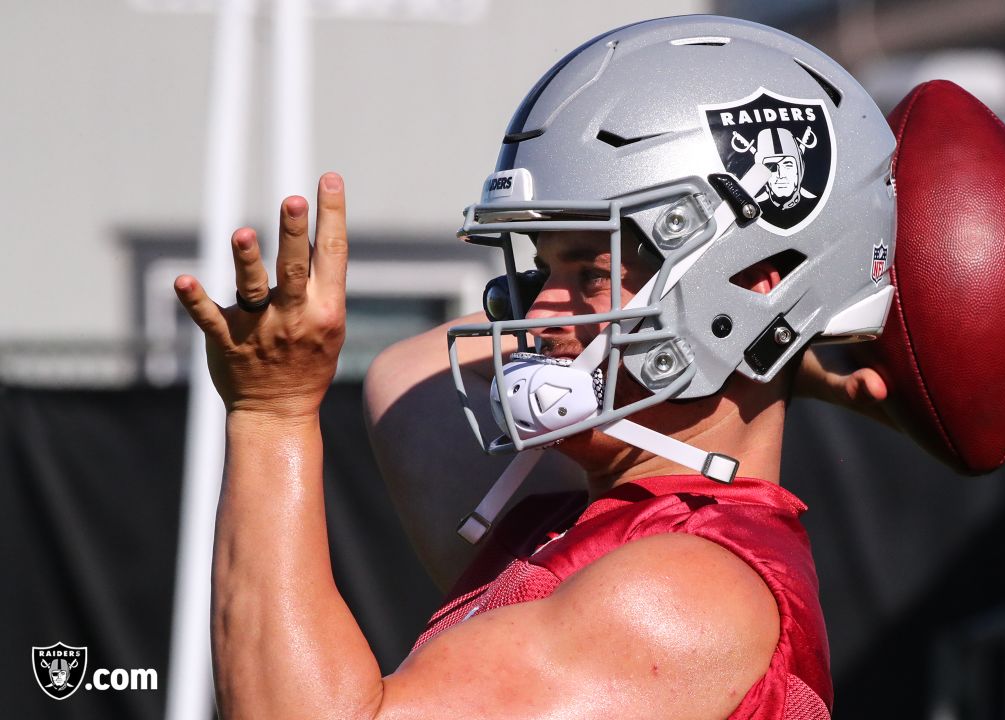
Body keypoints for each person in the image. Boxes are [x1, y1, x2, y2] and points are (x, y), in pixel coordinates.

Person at [176, 15, 897, 719]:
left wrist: (272, 415)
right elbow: (409, 375)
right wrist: (775, 344)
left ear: (750, 282)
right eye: (538, 268)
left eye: (589, 272)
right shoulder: (585, 516)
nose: (537, 317)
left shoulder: (681, 592)